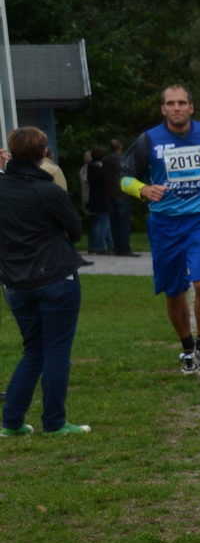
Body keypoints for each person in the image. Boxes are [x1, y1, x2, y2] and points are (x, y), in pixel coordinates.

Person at [119, 84, 200, 375]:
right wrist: (143, 189)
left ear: (191, 107)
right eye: (171, 103)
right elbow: (123, 177)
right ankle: (187, 347)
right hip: (165, 225)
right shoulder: (149, 140)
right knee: (174, 292)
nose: (177, 108)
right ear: (163, 109)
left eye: (182, 102)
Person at [1, 127, 91, 436]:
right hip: (55, 278)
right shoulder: (48, 190)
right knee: (55, 352)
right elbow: (76, 230)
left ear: (11, 153)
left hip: (15, 281)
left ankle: (12, 422)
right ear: (44, 153)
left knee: (33, 351)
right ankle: (53, 421)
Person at [103, 139, 138, 256]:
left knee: (114, 222)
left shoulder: (105, 161)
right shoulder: (123, 160)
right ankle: (125, 248)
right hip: (122, 194)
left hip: (109, 194)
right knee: (124, 223)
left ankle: (117, 247)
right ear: (120, 148)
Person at [82, 148, 113, 253]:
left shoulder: (89, 168)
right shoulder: (99, 169)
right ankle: (100, 246)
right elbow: (105, 182)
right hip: (101, 198)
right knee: (103, 223)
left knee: (95, 223)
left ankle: (92, 246)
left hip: (93, 197)